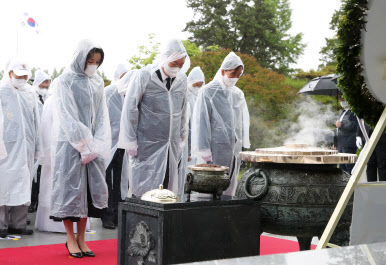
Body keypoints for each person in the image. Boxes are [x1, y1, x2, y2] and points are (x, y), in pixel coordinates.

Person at [49, 39, 111, 258]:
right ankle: (70, 238)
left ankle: (82, 238)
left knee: (89, 193)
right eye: (90, 60)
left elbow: (102, 114)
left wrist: (97, 143)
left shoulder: (98, 82)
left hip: (93, 147)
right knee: (70, 192)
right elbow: (67, 114)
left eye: (97, 61)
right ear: (80, 58)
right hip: (70, 145)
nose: (93, 64)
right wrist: (82, 143)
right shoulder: (64, 81)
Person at [118, 39, 189, 196]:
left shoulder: (182, 80)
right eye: (174, 63)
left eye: (181, 64)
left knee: (166, 192)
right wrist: (130, 141)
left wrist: (182, 137)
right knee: (145, 191)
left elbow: (183, 110)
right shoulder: (144, 76)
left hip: (170, 146)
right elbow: (130, 108)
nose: (177, 68)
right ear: (165, 58)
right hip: (146, 147)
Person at [191, 52, 250, 196]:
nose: (235, 77)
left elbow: (242, 121)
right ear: (223, 71)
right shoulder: (208, 91)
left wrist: (242, 145)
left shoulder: (237, 93)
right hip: (214, 148)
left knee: (229, 186)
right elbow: (201, 121)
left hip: (233, 150)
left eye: (239, 74)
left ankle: (226, 215)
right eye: (233, 73)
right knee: (210, 187)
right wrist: (204, 150)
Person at [0, 58, 39, 238]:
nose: (22, 79)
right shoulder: (2, 91)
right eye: (19, 75)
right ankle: (1, 225)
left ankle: (18, 224)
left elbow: (35, 121)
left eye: (25, 76)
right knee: (4, 185)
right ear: (9, 74)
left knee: (23, 185)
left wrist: (37, 146)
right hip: (6, 148)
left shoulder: (29, 93)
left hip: (26, 148)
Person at [102, 66, 137, 229]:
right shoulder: (109, 93)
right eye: (123, 77)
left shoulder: (133, 94)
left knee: (122, 181)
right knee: (107, 181)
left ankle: (119, 214)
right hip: (109, 145)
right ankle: (107, 215)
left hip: (124, 145)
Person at [177, 66, 205, 195]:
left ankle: (189, 199)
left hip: (195, 145)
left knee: (193, 176)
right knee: (182, 175)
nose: (198, 87)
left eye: (200, 85)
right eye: (196, 84)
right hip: (184, 143)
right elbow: (184, 124)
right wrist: (186, 149)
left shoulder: (201, 97)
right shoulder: (184, 95)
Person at [28, 70, 52, 213]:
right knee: (32, 173)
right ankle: (31, 201)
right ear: (36, 84)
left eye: (47, 87)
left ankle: (38, 201)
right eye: (42, 86)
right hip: (34, 138)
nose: (44, 89)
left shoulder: (48, 97)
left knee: (41, 173)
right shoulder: (30, 96)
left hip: (46, 140)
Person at [335, 97, 358, 174]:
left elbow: (354, 126)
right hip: (341, 143)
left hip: (348, 142)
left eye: (343, 100)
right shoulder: (343, 112)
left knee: (349, 165)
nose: (342, 102)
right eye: (341, 100)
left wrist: (341, 125)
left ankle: (351, 182)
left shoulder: (353, 112)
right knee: (342, 166)